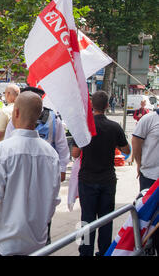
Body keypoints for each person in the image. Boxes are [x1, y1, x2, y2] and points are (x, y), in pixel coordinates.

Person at [0, 91, 61, 256]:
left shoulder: (1, 151)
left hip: (4, 244)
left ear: (16, 112)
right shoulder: (51, 154)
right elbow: (53, 200)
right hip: (36, 242)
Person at [71, 90, 130, 256]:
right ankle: (105, 251)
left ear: (91, 106)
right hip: (107, 179)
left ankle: (85, 251)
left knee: (86, 219)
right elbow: (126, 150)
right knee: (106, 219)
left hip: (87, 179)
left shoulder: (84, 126)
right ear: (106, 106)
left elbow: (75, 153)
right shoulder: (114, 127)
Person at [132, 109, 159, 191]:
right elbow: (136, 141)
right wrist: (139, 163)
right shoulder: (149, 119)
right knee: (149, 203)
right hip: (150, 176)